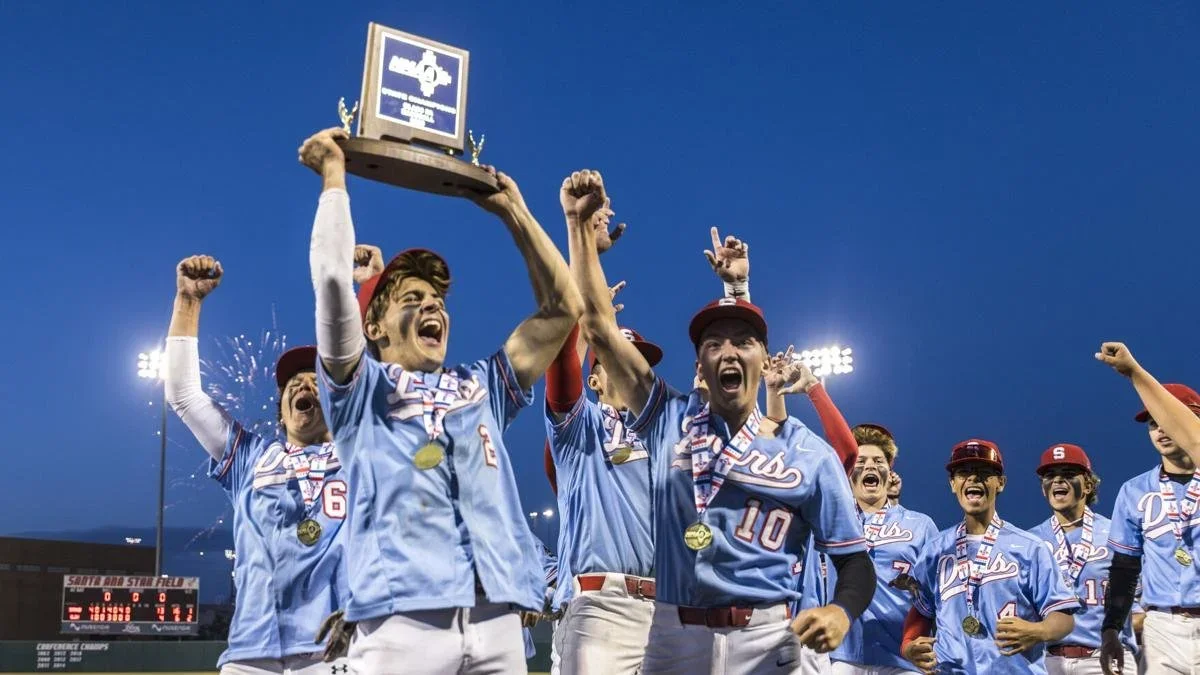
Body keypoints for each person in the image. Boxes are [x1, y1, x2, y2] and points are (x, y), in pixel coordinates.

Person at [300, 126, 586, 675]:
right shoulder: (358, 390)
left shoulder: (479, 385)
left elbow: (563, 309)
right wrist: (334, 178)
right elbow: (334, 285)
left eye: (436, 299)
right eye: (412, 298)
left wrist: (513, 212)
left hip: (498, 618)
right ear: (375, 327)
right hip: (402, 622)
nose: (432, 306)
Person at [568, 174, 875, 674]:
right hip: (672, 634)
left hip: (768, 636)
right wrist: (579, 230)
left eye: (743, 342)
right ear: (700, 364)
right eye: (713, 344)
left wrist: (841, 611)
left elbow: (855, 561)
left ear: (764, 357)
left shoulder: (804, 450)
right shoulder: (668, 417)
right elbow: (599, 328)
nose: (728, 351)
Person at [164, 254, 364, 675]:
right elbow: (183, 396)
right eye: (294, 384)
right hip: (251, 656)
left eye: (316, 382)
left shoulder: (362, 455)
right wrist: (188, 303)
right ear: (280, 411)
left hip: (336, 655)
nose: (305, 387)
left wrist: (365, 287)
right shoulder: (250, 456)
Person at [901, 439, 1078, 675]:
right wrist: (908, 647)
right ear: (953, 484)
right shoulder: (935, 550)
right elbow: (921, 612)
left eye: (984, 473)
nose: (973, 479)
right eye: (963, 472)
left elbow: (1064, 618)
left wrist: (1039, 631)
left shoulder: (1030, 548)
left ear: (1001, 483)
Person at [1099, 379, 1200, 675]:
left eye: (1167, 419)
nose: (1160, 429)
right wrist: (1111, 630)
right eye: (1152, 423)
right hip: (1162, 627)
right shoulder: (1135, 491)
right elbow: (1125, 569)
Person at [829, 424, 938, 675]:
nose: (870, 466)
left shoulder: (920, 525)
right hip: (841, 657)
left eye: (878, 460)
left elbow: (938, 593)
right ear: (848, 471)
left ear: (890, 472)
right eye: (861, 460)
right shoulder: (831, 520)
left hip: (903, 660)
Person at [1026, 443, 1139, 675]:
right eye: (1050, 476)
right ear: (1042, 488)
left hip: (1105, 657)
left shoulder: (1117, 533)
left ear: (1088, 485)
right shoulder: (1028, 542)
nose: (1058, 481)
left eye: (1068, 474)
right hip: (1048, 662)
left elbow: (1144, 605)